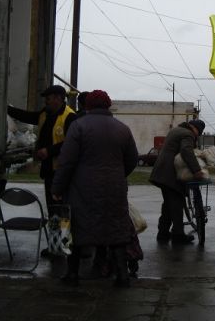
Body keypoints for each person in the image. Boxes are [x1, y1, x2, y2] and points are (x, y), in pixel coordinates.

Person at [51, 90, 139, 288]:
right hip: (115, 188)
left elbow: (67, 161)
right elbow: (133, 159)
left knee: (78, 228)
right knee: (116, 229)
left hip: (82, 188)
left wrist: (57, 187)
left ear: (87, 106)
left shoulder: (79, 126)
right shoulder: (122, 129)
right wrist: (117, 174)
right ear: (108, 105)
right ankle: (122, 276)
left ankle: (72, 274)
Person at [7, 85, 76, 216]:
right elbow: (27, 116)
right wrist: (7, 109)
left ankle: (62, 227)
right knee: (51, 206)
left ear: (58, 99)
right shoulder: (45, 114)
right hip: (48, 168)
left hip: (62, 171)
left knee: (61, 206)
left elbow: (71, 143)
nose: (45, 101)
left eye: (48, 98)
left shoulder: (70, 117)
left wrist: (49, 151)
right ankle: (53, 226)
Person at [149, 119, 206, 244]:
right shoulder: (188, 134)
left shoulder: (176, 130)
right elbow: (186, 151)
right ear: (195, 129)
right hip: (170, 174)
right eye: (199, 133)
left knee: (168, 205)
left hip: (162, 171)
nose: (197, 136)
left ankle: (163, 233)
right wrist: (197, 171)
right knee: (176, 204)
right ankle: (178, 235)